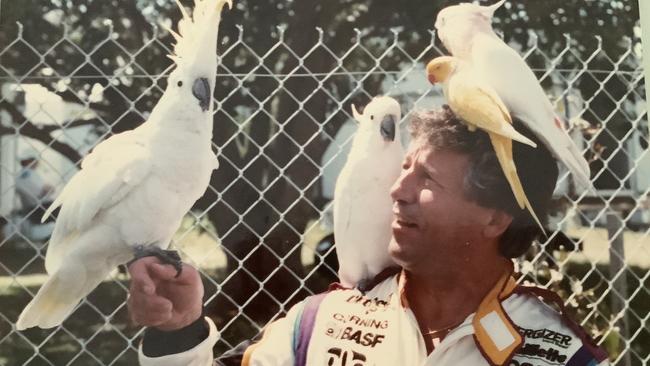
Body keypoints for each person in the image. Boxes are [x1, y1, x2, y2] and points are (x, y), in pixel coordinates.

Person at [128, 106, 609, 366]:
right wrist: (179, 331)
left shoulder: (557, 353)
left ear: (494, 219)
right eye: (403, 170)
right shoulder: (319, 323)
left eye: (427, 182)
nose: (397, 192)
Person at [14, 154, 55, 224]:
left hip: (30, 209)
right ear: (29, 161)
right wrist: (48, 189)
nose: (38, 163)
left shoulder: (20, 175)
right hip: (38, 209)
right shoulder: (29, 174)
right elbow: (45, 190)